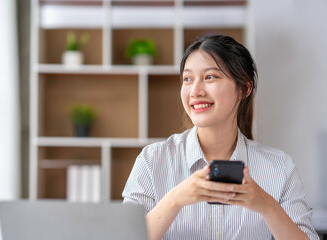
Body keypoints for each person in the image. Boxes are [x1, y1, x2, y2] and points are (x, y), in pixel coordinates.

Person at [122, 35, 318, 240]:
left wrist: (265, 204)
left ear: (244, 88)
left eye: (210, 77)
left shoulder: (279, 168)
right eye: (187, 79)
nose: (195, 91)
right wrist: (175, 199)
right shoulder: (153, 160)